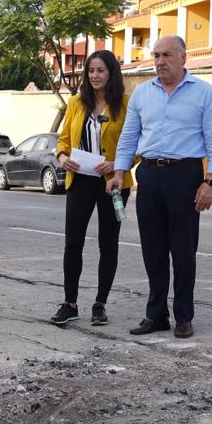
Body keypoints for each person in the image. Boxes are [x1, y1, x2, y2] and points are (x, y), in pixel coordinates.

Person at [108, 35, 212, 339]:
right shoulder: (142, 94)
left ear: (183, 58)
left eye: (167, 55)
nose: (160, 61)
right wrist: (120, 171)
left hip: (185, 176)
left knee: (183, 251)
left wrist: (210, 181)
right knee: (153, 250)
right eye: (156, 55)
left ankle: (184, 316)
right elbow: (129, 137)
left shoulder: (204, 93)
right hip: (148, 174)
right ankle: (156, 315)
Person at [50, 50, 134, 327]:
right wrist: (63, 159)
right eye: (91, 71)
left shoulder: (125, 104)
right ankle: (70, 303)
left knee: (108, 245)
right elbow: (62, 142)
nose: (95, 76)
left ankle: (100, 304)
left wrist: (117, 164)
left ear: (111, 73)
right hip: (80, 180)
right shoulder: (76, 103)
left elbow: (138, 146)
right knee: (72, 242)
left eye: (100, 71)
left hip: (114, 183)